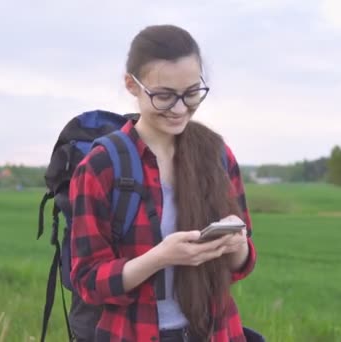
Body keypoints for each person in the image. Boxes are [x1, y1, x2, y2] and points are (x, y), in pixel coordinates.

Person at [69, 24, 257, 342]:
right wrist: (160, 257)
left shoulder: (217, 156)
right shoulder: (102, 167)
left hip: (215, 331)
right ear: (132, 85)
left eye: (192, 93)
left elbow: (243, 263)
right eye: (164, 96)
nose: (180, 109)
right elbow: (88, 281)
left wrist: (237, 246)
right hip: (133, 333)